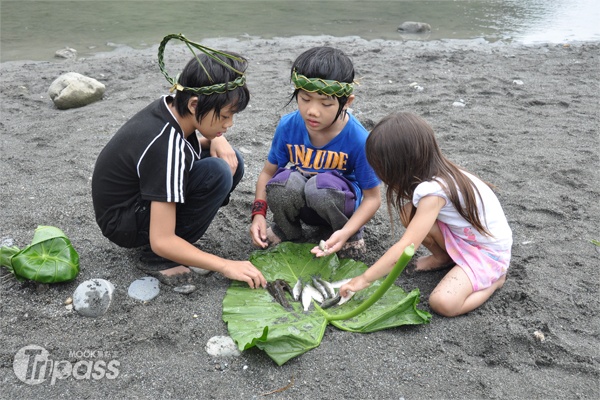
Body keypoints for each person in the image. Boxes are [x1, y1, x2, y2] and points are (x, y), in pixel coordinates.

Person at [92, 39, 266, 290]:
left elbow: (189, 143)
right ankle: (157, 259)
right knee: (217, 172)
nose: (230, 124)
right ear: (195, 104)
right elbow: (161, 239)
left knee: (231, 160)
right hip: (124, 221)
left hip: (138, 199)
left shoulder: (173, 107)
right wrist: (226, 264)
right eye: (226, 116)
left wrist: (217, 138)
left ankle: (174, 243)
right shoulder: (166, 145)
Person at [336, 112, 513, 317]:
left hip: (486, 253)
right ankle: (443, 258)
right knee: (409, 211)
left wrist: (364, 279)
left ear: (399, 166)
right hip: (466, 237)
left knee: (442, 303)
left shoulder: (433, 193)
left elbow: (406, 245)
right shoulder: (439, 172)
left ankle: (495, 282)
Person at [249, 46, 381, 259]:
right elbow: (267, 173)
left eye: (326, 103)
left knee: (319, 187)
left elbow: (373, 198)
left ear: (347, 102)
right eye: (305, 99)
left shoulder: (358, 138)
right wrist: (258, 214)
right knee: (283, 183)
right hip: (304, 202)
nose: (312, 111)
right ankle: (287, 230)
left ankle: (347, 237)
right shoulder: (288, 126)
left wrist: (347, 231)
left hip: (336, 203)